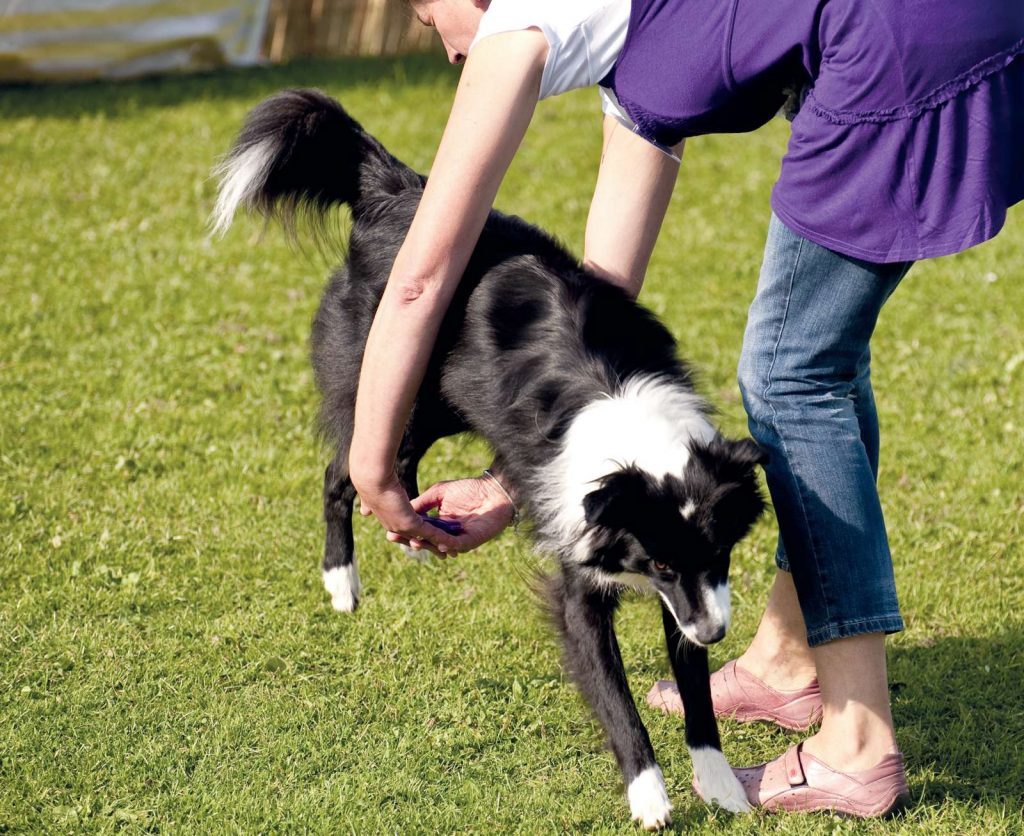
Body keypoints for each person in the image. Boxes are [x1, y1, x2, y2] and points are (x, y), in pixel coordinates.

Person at [348, 0, 1024, 816]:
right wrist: (506, 483)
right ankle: (786, 658)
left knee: (791, 374)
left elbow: (422, 273)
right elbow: (601, 297)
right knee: (822, 365)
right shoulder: (624, 39)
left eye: (430, 19)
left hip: (896, 40)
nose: (450, 50)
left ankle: (856, 745)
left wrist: (371, 461)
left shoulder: (517, 25)